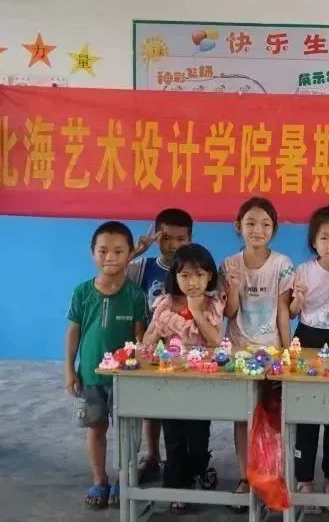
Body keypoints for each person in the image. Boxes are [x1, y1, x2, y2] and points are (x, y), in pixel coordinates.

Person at [65, 221, 147, 508]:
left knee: (128, 431)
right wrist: (69, 369)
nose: (110, 257)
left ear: (130, 254)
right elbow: (73, 332)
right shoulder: (82, 292)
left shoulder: (136, 294)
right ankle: (100, 480)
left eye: (118, 251)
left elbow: (140, 337)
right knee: (95, 429)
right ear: (92, 253)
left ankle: (124, 480)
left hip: (126, 379)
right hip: (90, 376)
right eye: (103, 251)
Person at [221, 197, 295, 503]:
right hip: (239, 350)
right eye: (250, 223)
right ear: (238, 226)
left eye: (265, 224)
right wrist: (234, 287)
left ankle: (272, 475)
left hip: (271, 352)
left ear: (274, 229)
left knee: (273, 414)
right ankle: (245, 475)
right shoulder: (229, 264)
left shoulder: (282, 264)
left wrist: (287, 352)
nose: (257, 230)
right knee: (243, 417)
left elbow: (283, 311)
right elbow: (229, 312)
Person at [142, 243, 224, 513]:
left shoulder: (212, 303)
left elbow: (215, 340)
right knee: (174, 437)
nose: (192, 282)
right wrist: (155, 334)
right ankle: (177, 486)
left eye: (199, 275)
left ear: (210, 276)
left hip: (202, 383)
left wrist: (195, 311)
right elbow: (148, 341)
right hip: (171, 382)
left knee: (198, 438)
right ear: (174, 277)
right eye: (185, 275)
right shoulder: (165, 304)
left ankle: (199, 469)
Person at [290, 204, 329, 512]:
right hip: (306, 340)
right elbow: (292, 311)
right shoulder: (304, 270)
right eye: (325, 237)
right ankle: (304, 480)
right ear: (314, 241)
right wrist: (298, 300)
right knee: (305, 415)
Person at [125, 207, 194, 483]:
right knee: (150, 408)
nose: (173, 245)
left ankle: (182, 463)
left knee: (182, 412)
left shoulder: (194, 269)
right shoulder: (143, 266)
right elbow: (112, 272)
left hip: (185, 354)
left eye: (180, 239)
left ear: (190, 239)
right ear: (156, 237)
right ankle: (152, 456)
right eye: (165, 238)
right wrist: (135, 252)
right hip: (150, 349)